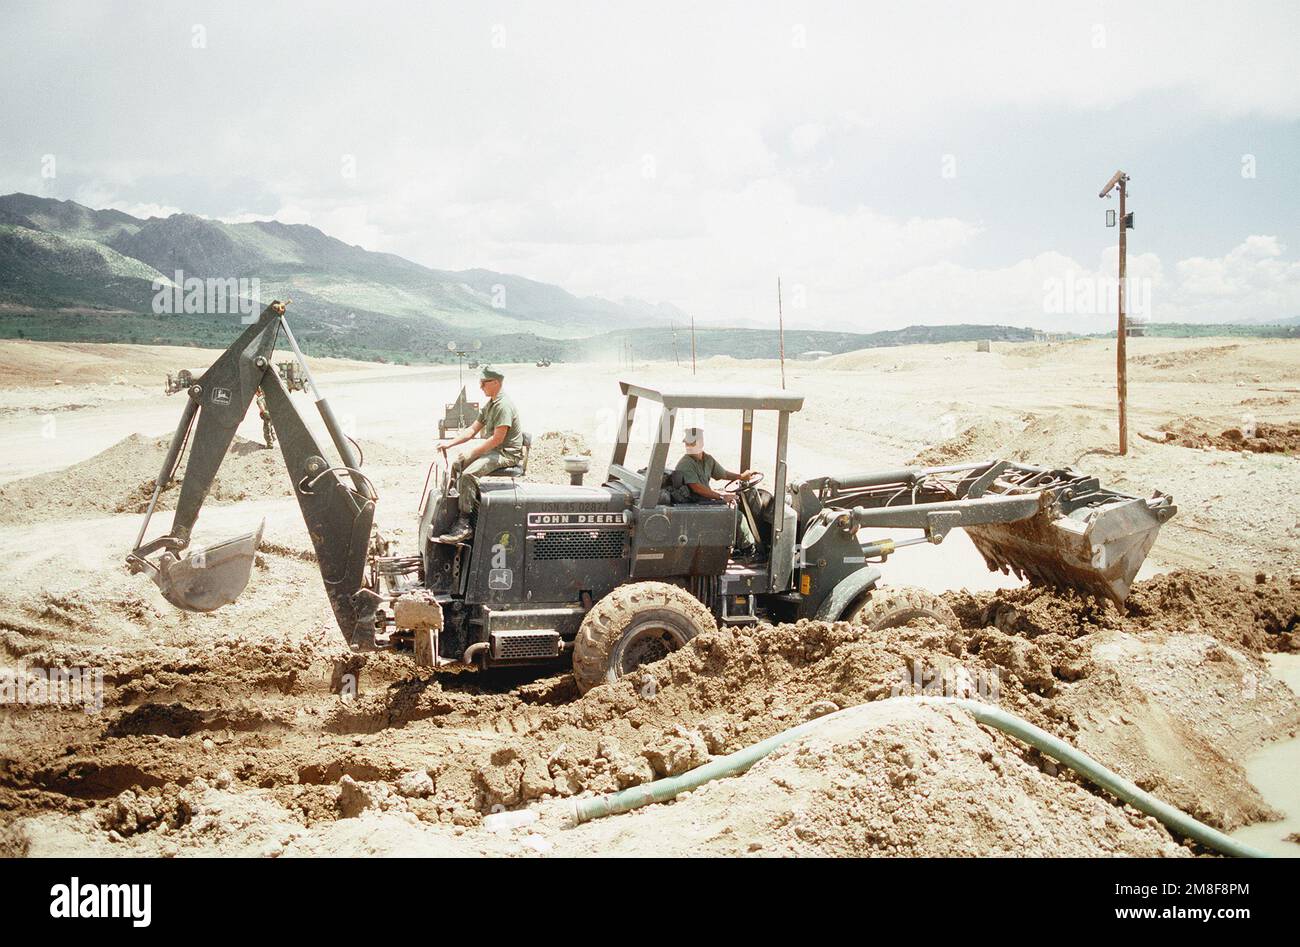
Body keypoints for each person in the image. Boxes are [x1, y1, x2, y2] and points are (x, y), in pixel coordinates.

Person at [436, 366, 523, 543]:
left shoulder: (503, 405)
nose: (481, 387)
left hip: (506, 454)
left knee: (468, 474)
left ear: (496, 383)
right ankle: (453, 507)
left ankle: (464, 525)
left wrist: (471, 452)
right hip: (495, 450)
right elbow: (472, 430)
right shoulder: (490, 405)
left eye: (484, 383)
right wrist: (449, 444)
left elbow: (497, 439)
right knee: (457, 464)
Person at [673, 427, 760, 553]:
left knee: (735, 504)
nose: (688, 446)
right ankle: (749, 550)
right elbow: (696, 488)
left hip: (706, 501)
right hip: (696, 504)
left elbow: (722, 474)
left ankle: (736, 546)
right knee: (737, 516)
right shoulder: (685, 463)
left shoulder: (707, 459)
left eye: (691, 443)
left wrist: (741, 477)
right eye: (687, 443)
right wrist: (721, 497)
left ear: (701, 443)